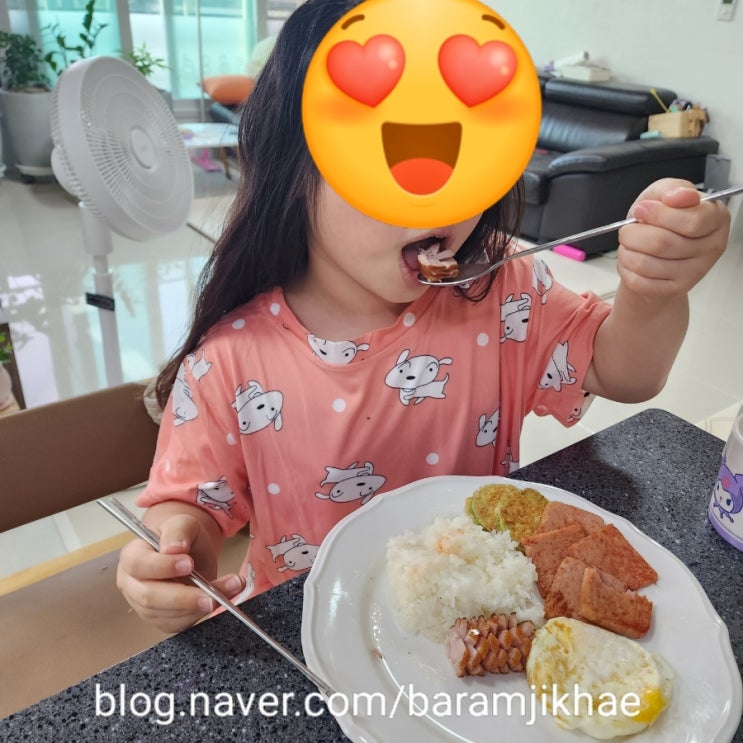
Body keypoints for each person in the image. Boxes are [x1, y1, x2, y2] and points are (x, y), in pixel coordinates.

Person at [117, 0, 731, 633]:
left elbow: (625, 373)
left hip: (478, 625)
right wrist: (174, 553)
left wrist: (654, 291)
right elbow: (187, 510)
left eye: (461, 158)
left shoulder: (499, 291)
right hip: (308, 634)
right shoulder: (230, 360)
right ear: (297, 167)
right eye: (395, 159)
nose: (438, 201)